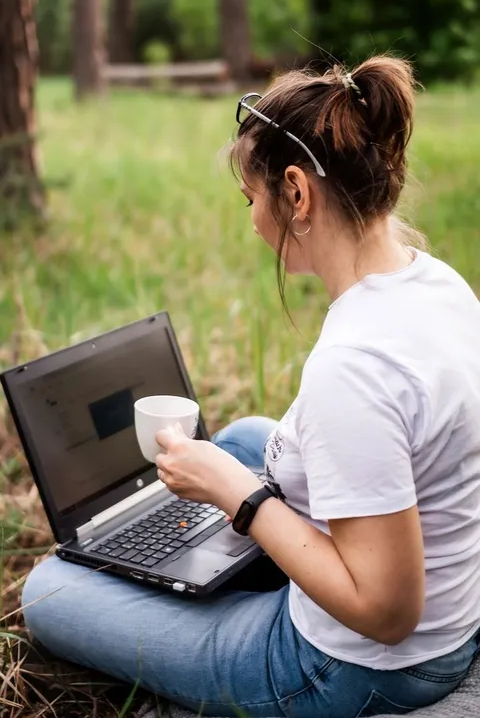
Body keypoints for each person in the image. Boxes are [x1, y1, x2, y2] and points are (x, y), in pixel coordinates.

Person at [22, 56, 480, 718]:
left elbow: (387, 611)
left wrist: (237, 496)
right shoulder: (435, 282)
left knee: (48, 591)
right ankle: (198, 545)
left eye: (251, 199)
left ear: (297, 193)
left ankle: (214, 564)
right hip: (445, 605)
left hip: (350, 667)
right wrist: (232, 474)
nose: (252, 221)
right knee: (239, 438)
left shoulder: (354, 366)